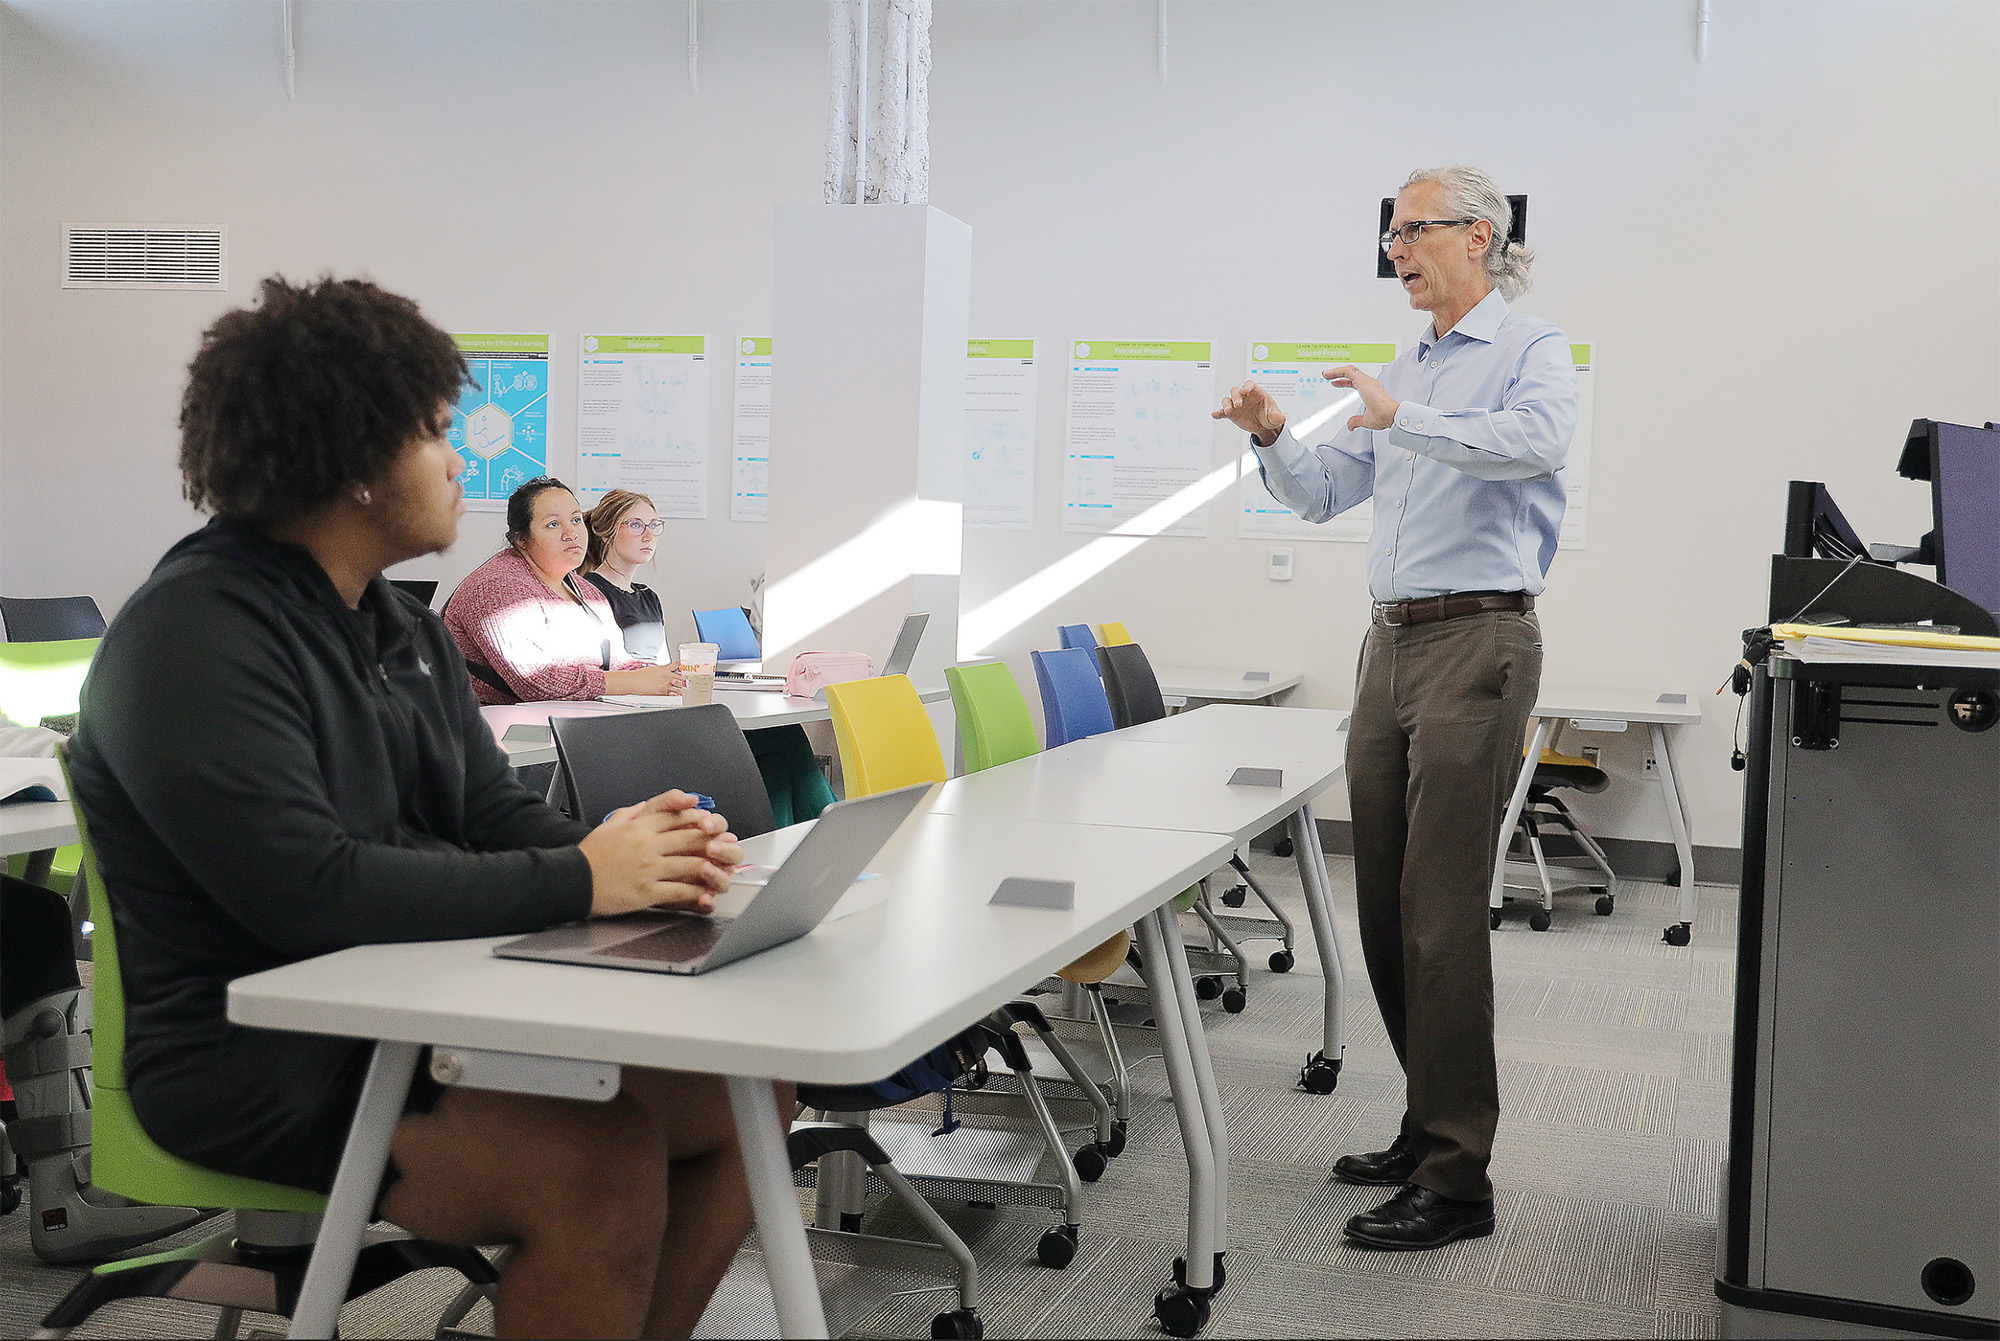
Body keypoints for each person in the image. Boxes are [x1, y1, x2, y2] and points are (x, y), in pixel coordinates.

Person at [66, 275, 778, 1338]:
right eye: (435, 435)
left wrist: (650, 864)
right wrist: (589, 876)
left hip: (408, 995)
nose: (458, 462)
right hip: (255, 1052)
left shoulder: (394, 625)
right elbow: (309, 891)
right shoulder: (193, 636)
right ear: (350, 458)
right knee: (592, 1164)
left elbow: (493, 814)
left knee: (744, 1094)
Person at [1214, 165, 1577, 1251]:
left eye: (1411, 231)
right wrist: (1275, 435)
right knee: (1381, 905)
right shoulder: (1407, 365)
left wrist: (1400, 414)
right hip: (1390, 642)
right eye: (1389, 234)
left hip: (1479, 639)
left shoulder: (1528, 349)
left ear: (1477, 236)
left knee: (1440, 916)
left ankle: (1458, 1181)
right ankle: (1426, 1130)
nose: (1393, 250)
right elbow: (1327, 493)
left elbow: (1538, 446)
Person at [443, 478, 681, 704]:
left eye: (576, 520)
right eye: (553, 524)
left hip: (563, 720)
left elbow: (619, 663)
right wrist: (635, 682)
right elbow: (535, 682)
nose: (571, 533)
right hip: (493, 728)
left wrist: (667, 677)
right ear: (521, 539)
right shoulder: (497, 587)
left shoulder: (586, 591)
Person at [578, 488, 668, 663]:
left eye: (654, 525)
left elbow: (664, 664)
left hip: (655, 688)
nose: (649, 536)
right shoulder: (590, 592)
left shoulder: (650, 598)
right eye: (635, 525)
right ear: (607, 534)